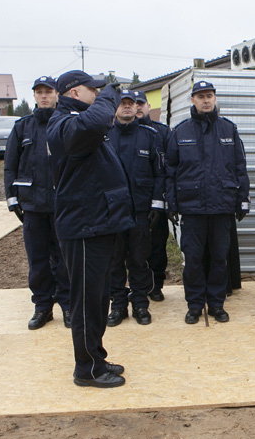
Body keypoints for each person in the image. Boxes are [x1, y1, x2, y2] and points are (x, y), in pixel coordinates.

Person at [47, 70, 134, 388]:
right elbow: (96, 122)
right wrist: (110, 94)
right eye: (92, 90)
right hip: (83, 226)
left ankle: (96, 357)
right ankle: (86, 369)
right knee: (86, 302)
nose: (98, 94)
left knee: (97, 300)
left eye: (100, 91)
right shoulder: (65, 124)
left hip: (97, 223)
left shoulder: (78, 123)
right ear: (73, 93)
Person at [166, 81, 250, 324]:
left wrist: (242, 200)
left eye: (209, 96)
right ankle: (194, 305)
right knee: (193, 259)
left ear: (215, 99)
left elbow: (240, 168)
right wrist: (171, 203)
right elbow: (170, 171)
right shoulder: (180, 132)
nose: (206, 100)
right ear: (192, 100)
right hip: (192, 208)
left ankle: (216, 304)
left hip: (222, 206)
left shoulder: (228, 130)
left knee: (219, 258)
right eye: (201, 96)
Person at [4, 76, 70, 330]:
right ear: (34, 96)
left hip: (62, 205)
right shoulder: (23, 127)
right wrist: (12, 199)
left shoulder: (66, 123)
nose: (44, 96)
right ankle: (42, 307)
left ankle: (68, 306)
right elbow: (10, 165)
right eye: (39, 92)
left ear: (57, 95)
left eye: (48, 92)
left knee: (65, 260)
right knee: (38, 261)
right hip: (32, 207)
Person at [106, 89, 166, 326]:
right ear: (116, 108)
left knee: (140, 260)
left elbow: (159, 173)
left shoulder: (149, 136)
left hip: (140, 211)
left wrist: (156, 204)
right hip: (112, 211)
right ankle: (118, 306)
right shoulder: (104, 136)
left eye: (131, 103)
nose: (127, 107)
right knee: (114, 261)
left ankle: (140, 304)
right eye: (123, 103)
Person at [135, 90, 170, 302]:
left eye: (141, 103)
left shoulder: (162, 132)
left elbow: (169, 168)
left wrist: (163, 201)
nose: (137, 107)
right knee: (131, 250)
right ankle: (136, 287)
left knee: (157, 246)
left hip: (156, 200)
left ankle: (156, 285)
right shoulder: (114, 132)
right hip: (131, 202)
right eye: (133, 103)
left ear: (148, 106)